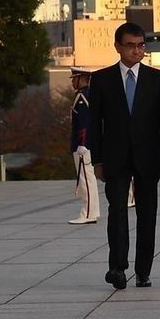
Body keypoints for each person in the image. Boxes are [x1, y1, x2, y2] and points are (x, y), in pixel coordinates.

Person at [86, 21, 160, 289]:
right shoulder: (101, 79)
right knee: (117, 211)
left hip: (149, 156)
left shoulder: (158, 79)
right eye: (130, 46)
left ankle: (143, 270)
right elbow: (94, 123)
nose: (136, 51)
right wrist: (97, 159)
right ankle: (117, 267)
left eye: (141, 46)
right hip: (114, 157)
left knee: (147, 213)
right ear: (118, 47)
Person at [69, 66, 100, 225]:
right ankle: (91, 211)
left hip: (83, 146)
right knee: (88, 179)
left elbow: (84, 123)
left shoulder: (82, 97)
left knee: (86, 180)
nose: (73, 82)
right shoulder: (89, 95)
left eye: (74, 78)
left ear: (82, 79)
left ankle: (88, 214)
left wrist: (82, 143)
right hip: (87, 144)